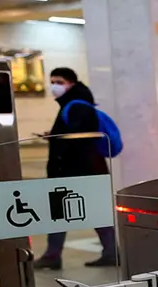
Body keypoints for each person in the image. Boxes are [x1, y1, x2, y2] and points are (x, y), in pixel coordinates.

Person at [35, 67, 116, 270]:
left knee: (58, 213)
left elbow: (80, 137)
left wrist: (58, 142)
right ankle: (110, 251)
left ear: (71, 83)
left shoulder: (77, 105)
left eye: (59, 81)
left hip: (75, 169)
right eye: (52, 81)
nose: (54, 85)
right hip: (84, 168)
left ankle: (53, 255)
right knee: (93, 211)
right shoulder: (76, 103)